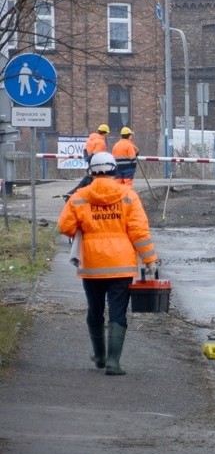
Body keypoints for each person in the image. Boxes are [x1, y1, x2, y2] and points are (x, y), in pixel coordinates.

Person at [57, 152, 160, 376]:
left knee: (95, 309)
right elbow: (139, 232)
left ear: (91, 171)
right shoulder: (129, 196)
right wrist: (150, 260)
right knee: (117, 312)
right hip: (121, 265)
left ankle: (99, 356)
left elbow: (65, 226)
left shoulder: (79, 196)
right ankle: (114, 362)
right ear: (114, 170)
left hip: (92, 265)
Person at [64, 124, 110, 199]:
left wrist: (86, 159)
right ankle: (78, 194)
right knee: (94, 179)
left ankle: (73, 193)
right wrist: (90, 159)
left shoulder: (90, 139)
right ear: (105, 133)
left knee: (89, 178)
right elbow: (96, 153)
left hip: (91, 162)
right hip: (97, 163)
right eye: (107, 133)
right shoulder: (101, 142)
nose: (107, 135)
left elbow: (85, 150)